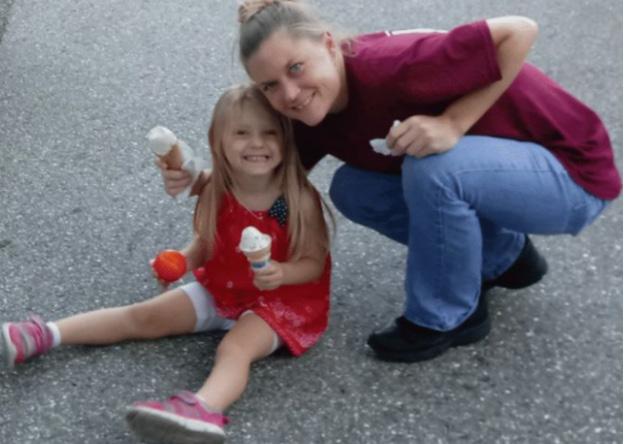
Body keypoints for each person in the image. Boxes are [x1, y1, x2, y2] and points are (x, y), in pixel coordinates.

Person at [159, 0, 621, 364]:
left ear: (328, 44)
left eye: (295, 68)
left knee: (435, 169)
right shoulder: (312, 111)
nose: (290, 94)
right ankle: (503, 257)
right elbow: (271, 177)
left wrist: (453, 123)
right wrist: (199, 179)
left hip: (571, 173)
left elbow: (519, 30)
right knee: (353, 189)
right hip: (502, 174)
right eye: (270, 86)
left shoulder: (396, 67)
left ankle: (449, 316)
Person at [1, 84, 332, 444]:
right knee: (143, 316)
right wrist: (184, 259)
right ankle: (44, 334)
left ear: (287, 140)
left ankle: (205, 409)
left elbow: (313, 263)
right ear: (218, 141)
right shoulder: (217, 187)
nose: (256, 143)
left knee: (235, 348)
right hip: (223, 286)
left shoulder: (294, 200)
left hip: (280, 301)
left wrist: (282, 272)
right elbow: (209, 242)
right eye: (241, 133)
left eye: (269, 133)